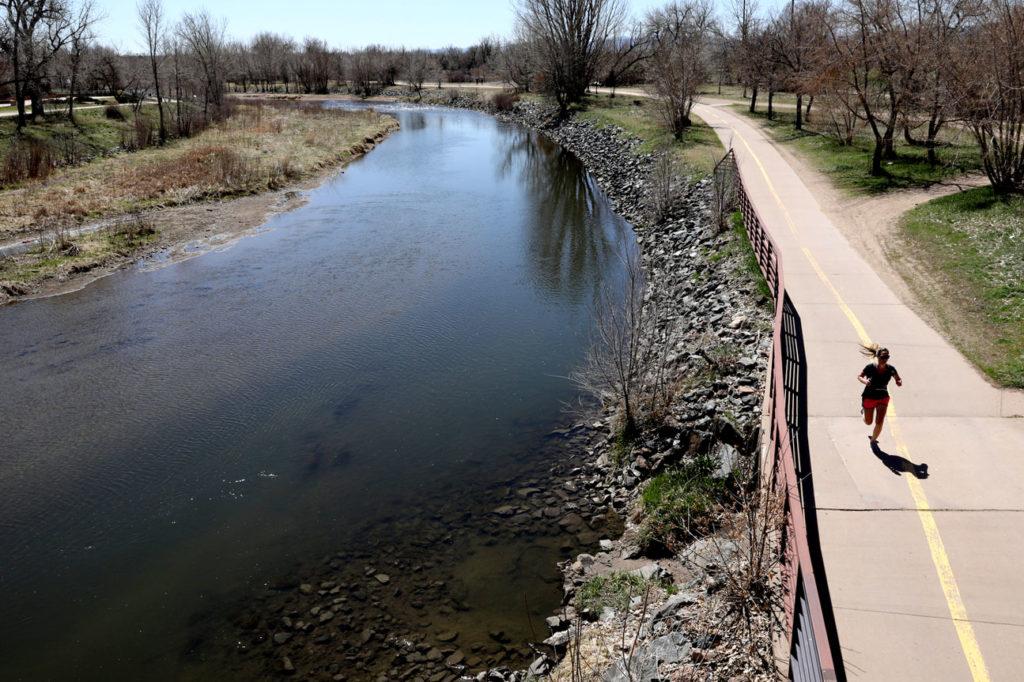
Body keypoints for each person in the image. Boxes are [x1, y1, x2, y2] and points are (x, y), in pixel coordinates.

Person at [858, 343, 902, 445]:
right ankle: (863, 412)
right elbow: (860, 376)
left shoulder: (891, 369)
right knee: (868, 422)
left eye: (887, 357)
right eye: (883, 357)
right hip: (869, 396)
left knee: (879, 421)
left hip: (883, 397)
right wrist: (865, 381)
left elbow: (898, 378)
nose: (885, 359)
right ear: (878, 357)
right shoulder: (870, 367)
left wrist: (898, 382)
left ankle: (873, 441)